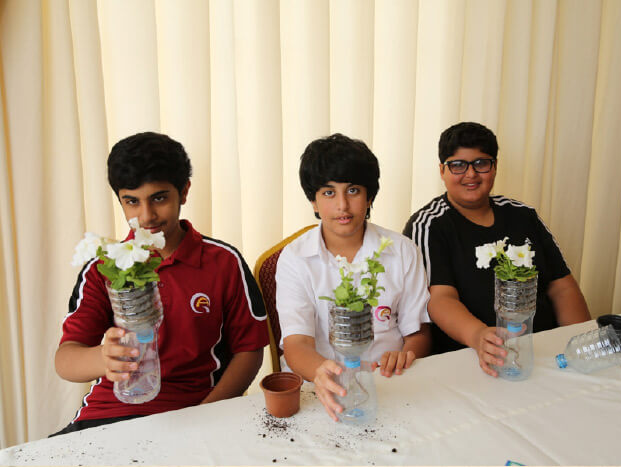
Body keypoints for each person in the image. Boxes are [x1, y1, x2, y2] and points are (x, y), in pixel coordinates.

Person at [54, 132, 268, 435]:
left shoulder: (224, 262)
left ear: (184, 191)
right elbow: (65, 359)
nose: (147, 216)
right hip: (108, 413)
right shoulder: (104, 267)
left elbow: (250, 351)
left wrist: (208, 414)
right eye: (132, 202)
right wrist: (103, 358)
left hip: (194, 412)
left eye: (159, 198)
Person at [403, 122, 591, 377]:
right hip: (473, 358)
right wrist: (478, 336)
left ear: (494, 167)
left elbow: (561, 287)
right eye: (458, 165)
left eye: (481, 163)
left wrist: (581, 341)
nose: (471, 174)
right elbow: (439, 299)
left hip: (543, 351)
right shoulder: (428, 224)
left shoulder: (523, 215)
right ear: (442, 170)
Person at [276, 133, 431, 421]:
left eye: (353, 190)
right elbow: (297, 343)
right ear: (313, 201)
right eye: (328, 193)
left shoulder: (403, 251)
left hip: (390, 384)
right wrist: (322, 372)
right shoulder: (295, 258)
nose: (342, 206)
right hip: (319, 389)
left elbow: (418, 332)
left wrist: (406, 354)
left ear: (369, 197)